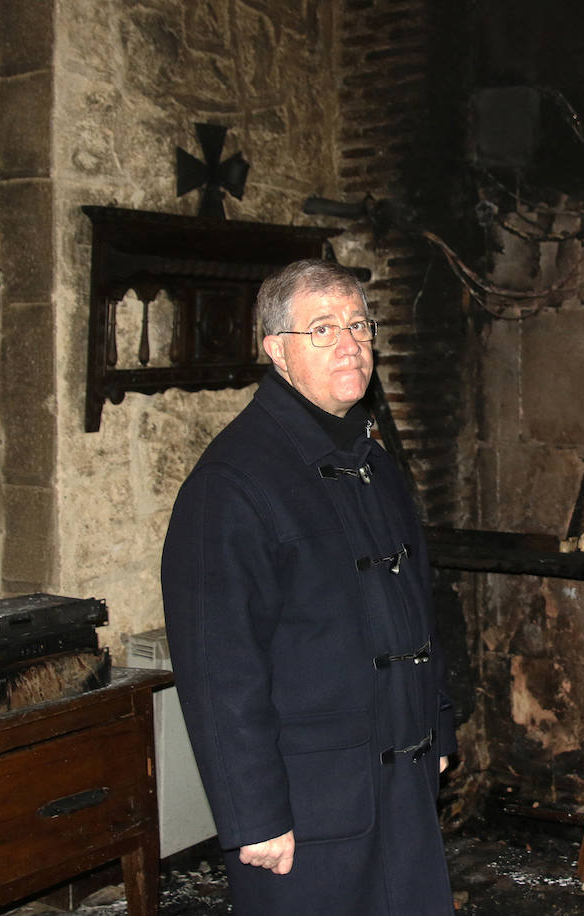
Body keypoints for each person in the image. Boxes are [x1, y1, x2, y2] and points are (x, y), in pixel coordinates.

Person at [162, 258, 456, 915]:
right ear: (276, 351)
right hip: (309, 810)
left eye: (359, 325)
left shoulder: (373, 466)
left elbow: (414, 613)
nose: (350, 343)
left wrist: (436, 734)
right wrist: (254, 816)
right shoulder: (230, 485)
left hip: (399, 781)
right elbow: (219, 670)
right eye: (322, 329)